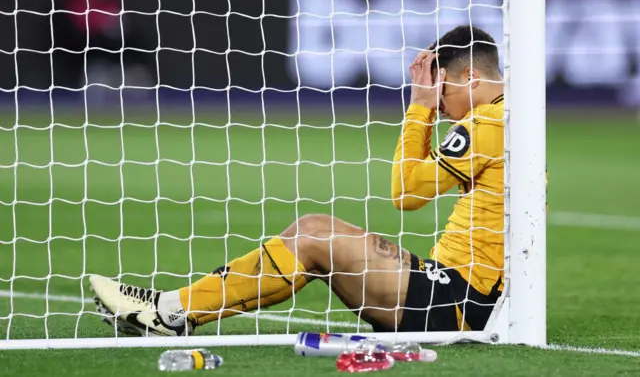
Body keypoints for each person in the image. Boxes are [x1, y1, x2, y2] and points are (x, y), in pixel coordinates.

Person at [89, 25, 505, 336]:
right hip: (454, 288)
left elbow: (407, 193)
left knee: (313, 235)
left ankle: (171, 312)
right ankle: (174, 309)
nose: (440, 104)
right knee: (312, 231)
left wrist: (419, 109)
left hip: (460, 302)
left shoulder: (488, 121)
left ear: (469, 77)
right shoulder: (505, 117)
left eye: (441, 89)